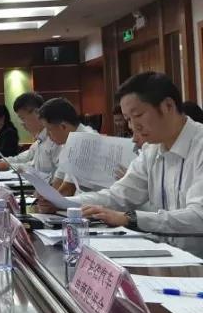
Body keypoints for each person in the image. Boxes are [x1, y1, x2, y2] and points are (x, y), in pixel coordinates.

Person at [40, 72, 203, 255]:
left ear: (168, 106)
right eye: (128, 119)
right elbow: (118, 196)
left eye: (138, 115)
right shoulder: (152, 149)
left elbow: (199, 217)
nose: (132, 126)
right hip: (168, 255)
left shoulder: (199, 146)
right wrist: (62, 202)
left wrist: (130, 218)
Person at [38, 97, 98, 194]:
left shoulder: (85, 141)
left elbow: (68, 189)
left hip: (96, 201)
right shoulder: (69, 141)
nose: (47, 135)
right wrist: (47, 196)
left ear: (63, 127)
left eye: (49, 129)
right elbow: (59, 178)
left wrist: (49, 199)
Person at [0, 92, 61, 179]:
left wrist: (9, 165)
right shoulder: (40, 140)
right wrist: (7, 162)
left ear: (37, 113)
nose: (22, 123)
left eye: (22, 118)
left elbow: (53, 176)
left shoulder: (56, 138)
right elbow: (28, 161)